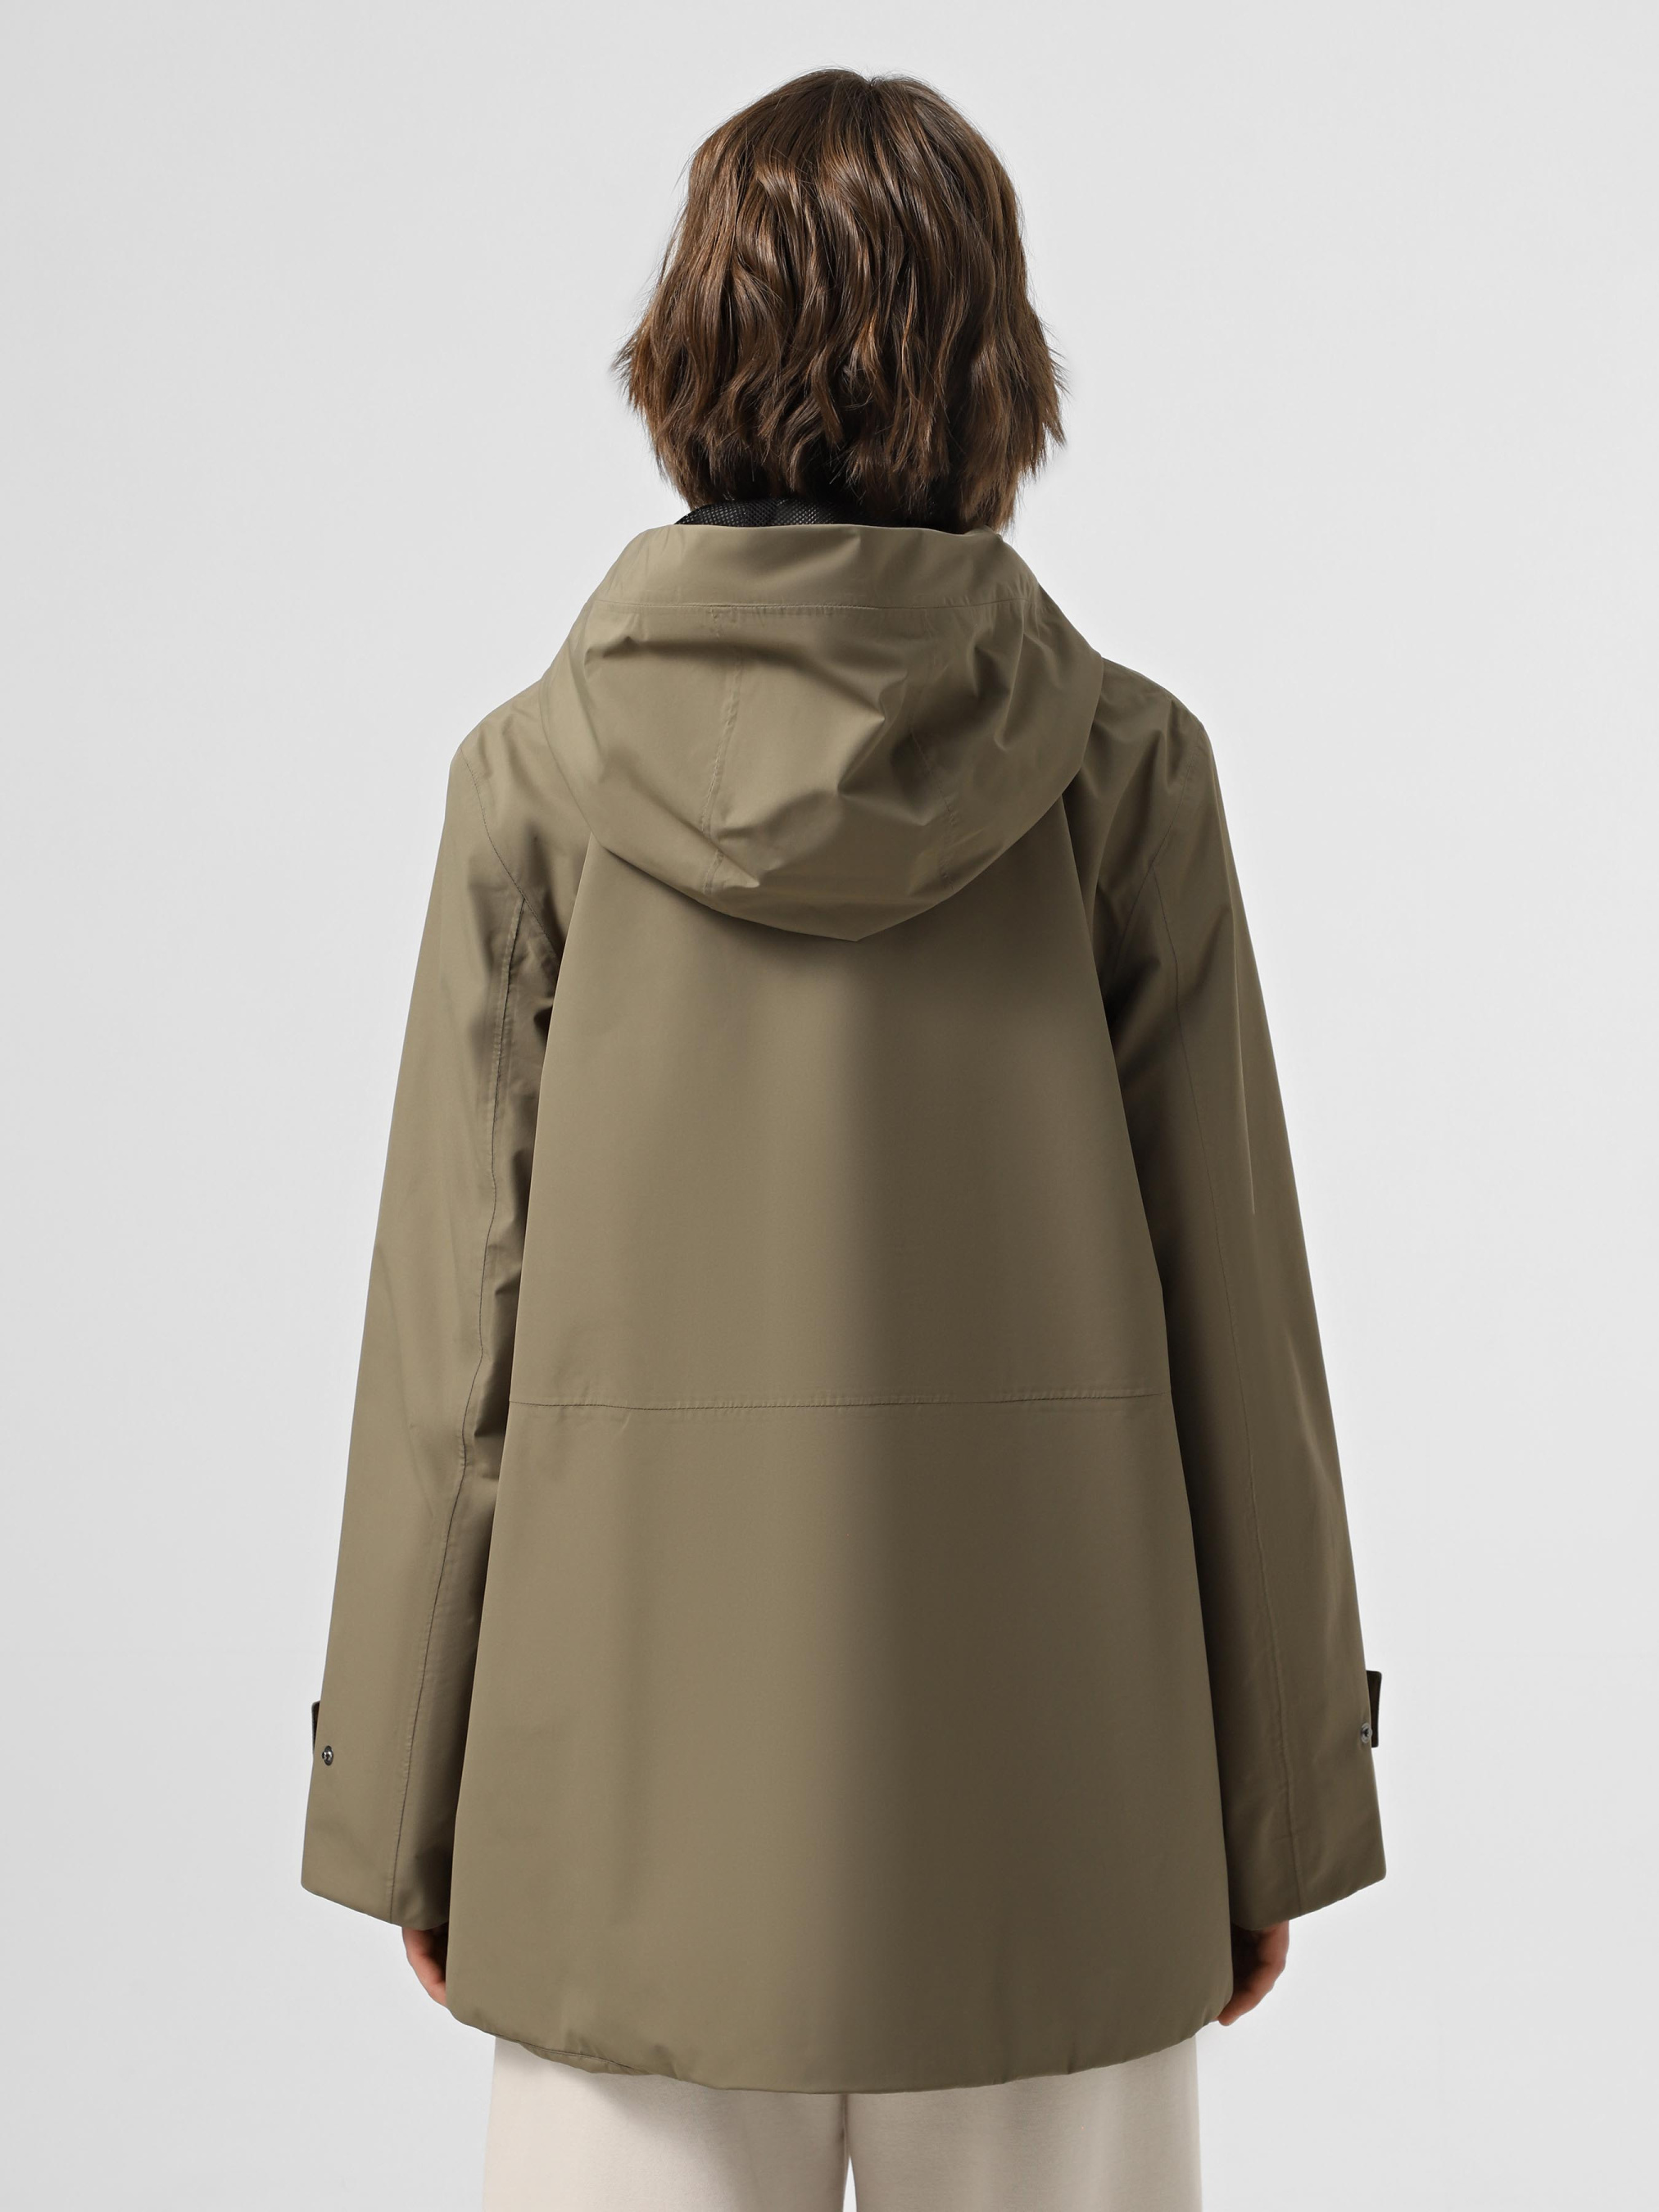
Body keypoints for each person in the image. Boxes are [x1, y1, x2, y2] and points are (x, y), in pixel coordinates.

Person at [301, 67, 1385, 2212]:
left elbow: (452, 1348)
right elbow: (1234, 1329)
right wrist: (1272, 1806)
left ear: (685, 353)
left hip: (615, 1839)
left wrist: (404, 1801)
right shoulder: (1124, 774)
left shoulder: (533, 783)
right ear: (996, 367)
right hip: (1061, 1834)